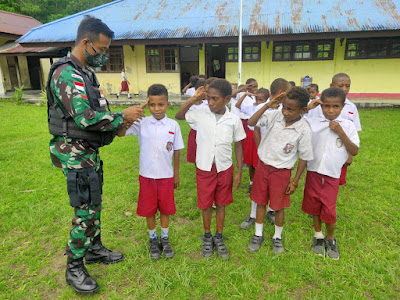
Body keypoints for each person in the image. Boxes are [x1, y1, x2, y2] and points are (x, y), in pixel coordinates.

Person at [46, 15, 145, 294]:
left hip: (88, 151)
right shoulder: (65, 73)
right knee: (85, 210)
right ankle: (74, 267)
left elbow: (100, 110)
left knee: (94, 202)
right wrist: (121, 117)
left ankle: (93, 248)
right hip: (74, 152)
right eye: (101, 50)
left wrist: (119, 120)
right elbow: (86, 118)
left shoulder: (86, 74)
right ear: (85, 42)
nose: (103, 56)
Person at [175, 79, 246, 259]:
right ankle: (207, 236)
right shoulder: (200, 113)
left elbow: (238, 145)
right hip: (204, 167)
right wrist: (193, 100)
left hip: (224, 167)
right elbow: (179, 115)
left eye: (215, 99)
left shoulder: (234, 120)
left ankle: (219, 236)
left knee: (221, 203)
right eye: (208, 98)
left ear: (227, 99)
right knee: (206, 204)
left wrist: (239, 171)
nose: (211, 103)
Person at [118, 84, 184, 259]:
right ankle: (153, 239)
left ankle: (165, 238)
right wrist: (138, 109)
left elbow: (177, 151)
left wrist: (176, 174)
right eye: (152, 104)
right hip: (147, 176)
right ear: (148, 104)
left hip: (166, 176)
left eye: (160, 104)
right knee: (149, 210)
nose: (156, 109)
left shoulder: (173, 125)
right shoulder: (141, 123)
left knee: (165, 209)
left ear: (168, 105)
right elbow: (120, 132)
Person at [246, 87, 313, 254]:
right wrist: (268, 105)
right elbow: (251, 122)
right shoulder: (275, 115)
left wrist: (295, 181)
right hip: (263, 167)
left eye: (290, 109)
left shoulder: (304, 129)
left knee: (278, 207)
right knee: (260, 202)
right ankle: (258, 233)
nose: (285, 112)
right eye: (284, 107)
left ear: (303, 110)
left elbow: (304, 157)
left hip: (282, 173)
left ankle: (277, 237)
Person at [303, 88, 359, 260]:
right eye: (326, 106)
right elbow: (295, 120)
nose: (331, 110)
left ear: (342, 106)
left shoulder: (348, 125)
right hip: (313, 171)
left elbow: (354, 150)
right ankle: (318, 235)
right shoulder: (313, 122)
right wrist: (308, 109)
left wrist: (340, 132)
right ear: (321, 106)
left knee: (328, 208)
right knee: (314, 206)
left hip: (332, 174)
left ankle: (330, 238)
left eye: (335, 106)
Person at [307, 73, 361, 185]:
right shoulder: (320, 105)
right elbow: (309, 123)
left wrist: (350, 155)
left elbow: (354, 133)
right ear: (332, 85)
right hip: (319, 151)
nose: (344, 89)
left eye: (347, 86)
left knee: (335, 181)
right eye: (341, 86)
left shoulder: (351, 107)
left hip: (339, 150)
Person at [254, 78, 292, 226]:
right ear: (281, 93)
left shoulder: (285, 108)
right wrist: (259, 150)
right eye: (288, 92)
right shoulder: (264, 107)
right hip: (264, 154)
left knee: (275, 191)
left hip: (278, 157)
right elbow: (255, 129)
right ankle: (253, 216)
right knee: (259, 193)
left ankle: (271, 211)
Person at [235, 88, 269, 194]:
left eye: (261, 99)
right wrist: (245, 94)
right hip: (251, 136)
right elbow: (237, 105)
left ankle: (262, 183)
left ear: (267, 99)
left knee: (261, 162)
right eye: (257, 99)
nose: (258, 102)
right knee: (251, 162)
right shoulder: (252, 107)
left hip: (263, 137)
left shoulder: (269, 109)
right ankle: (251, 182)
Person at [186, 77, 217, 164]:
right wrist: (195, 99)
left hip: (213, 135)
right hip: (196, 134)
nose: (209, 94)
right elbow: (180, 115)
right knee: (198, 161)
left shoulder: (221, 106)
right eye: (207, 91)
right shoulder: (196, 104)